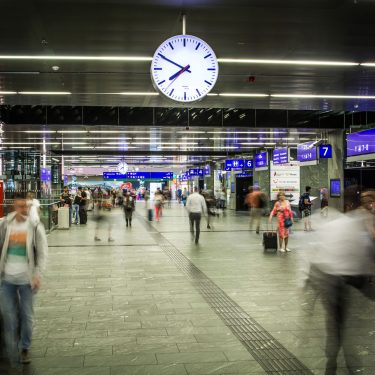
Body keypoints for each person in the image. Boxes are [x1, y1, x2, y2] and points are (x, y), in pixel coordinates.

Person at [303, 187, 375, 374]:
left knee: (336, 323)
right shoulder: (356, 223)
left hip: (333, 281)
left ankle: (333, 359)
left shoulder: (338, 222)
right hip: (345, 282)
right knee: (344, 324)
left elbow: (318, 255)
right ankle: (344, 360)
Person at [0, 194, 48, 366]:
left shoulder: (35, 226)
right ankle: (11, 349)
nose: (23, 210)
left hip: (27, 280)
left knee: (27, 315)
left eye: (25, 206)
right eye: (19, 206)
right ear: (14, 206)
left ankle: (25, 347)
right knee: (9, 315)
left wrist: (37, 275)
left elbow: (42, 253)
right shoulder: (5, 224)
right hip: (7, 279)